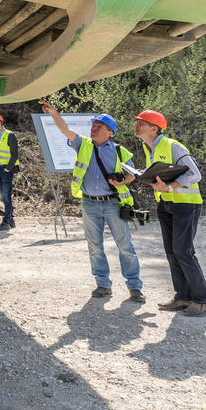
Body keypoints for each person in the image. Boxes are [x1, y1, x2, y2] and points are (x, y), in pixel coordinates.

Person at [41, 100, 145, 302]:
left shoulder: (120, 151)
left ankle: (134, 287)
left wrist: (123, 180)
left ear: (110, 132)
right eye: (93, 125)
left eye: (99, 126)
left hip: (114, 203)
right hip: (90, 203)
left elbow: (132, 174)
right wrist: (53, 113)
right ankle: (103, 284)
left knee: (125, 246)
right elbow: (65, 129)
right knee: (95, 246)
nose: (93, 128)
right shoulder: (83, 145)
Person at [134, 110, 206, 317]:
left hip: (186, 204)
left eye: (141, 123)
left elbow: (195, 174)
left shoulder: (173, 146)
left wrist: (170, 187)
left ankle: (203, 301)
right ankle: (183, 297)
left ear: (154, 128)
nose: (137, 125)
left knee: (183, 252)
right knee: (172, 252)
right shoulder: (148, 148)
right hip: (166, 204)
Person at [0, 114, 19, 231]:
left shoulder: (10, 135)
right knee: (5, 196)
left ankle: (6, 222)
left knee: (6, 196)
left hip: (6, 170)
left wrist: (7, 169)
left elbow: (15, 155)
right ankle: (10, 220)